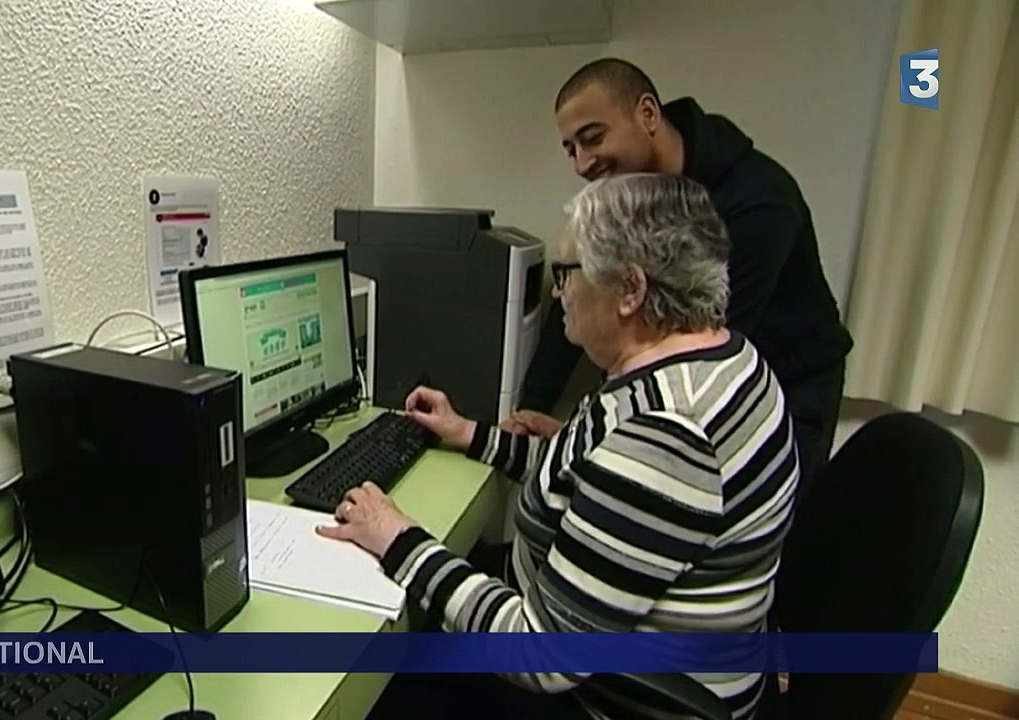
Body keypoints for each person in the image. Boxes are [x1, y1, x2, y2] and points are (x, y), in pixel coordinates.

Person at [319, 174, 800, 720]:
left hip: (614, 699)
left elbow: (538, 656)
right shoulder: (722, 362)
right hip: (627, 642)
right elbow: (590, 478)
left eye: (567, 273)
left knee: (380, 680)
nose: (556, 291)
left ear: (630, 289)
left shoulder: (666, 433)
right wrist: (469, 433)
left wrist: (398, 538)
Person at [504, 58, 850, 496]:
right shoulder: (630, 188)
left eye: (593, 138)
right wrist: (529, 409)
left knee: (759, 519)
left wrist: (591, 434)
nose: (582, 163)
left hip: (785, 385)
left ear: (647, 114)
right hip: (683, 385)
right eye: (571, 148)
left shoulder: (759, 201)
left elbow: (690, 344)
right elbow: (583, 284)